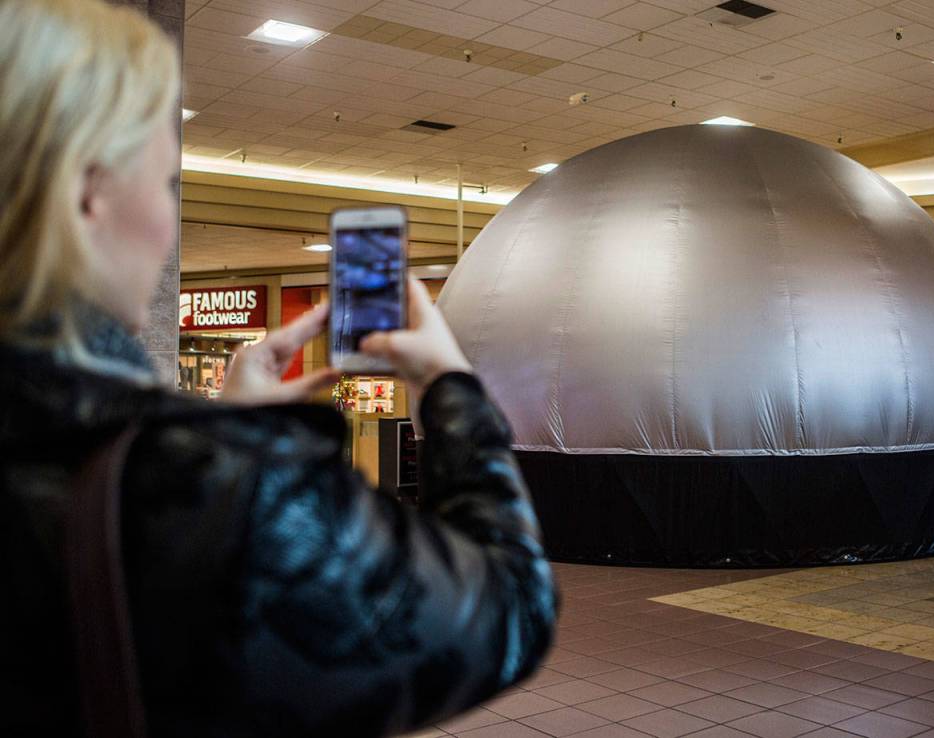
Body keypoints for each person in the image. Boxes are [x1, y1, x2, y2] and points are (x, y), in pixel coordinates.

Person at [0, 1, 557, 736]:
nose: (168, 224)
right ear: (87, 192)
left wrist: (219, 432)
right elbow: (510, 609)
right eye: (165, 180)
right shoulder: (233, 489)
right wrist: (449, 389)